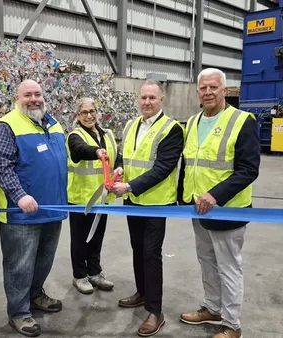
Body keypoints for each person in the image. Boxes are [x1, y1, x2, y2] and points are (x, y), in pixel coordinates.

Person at [177, 68, 260, 338]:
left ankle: (232, 325)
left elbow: (248, 170)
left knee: (228, 266)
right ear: (198, 92)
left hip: (227, 209)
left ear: (225, 90)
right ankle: (212, 308)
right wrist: (182, 197)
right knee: (207, 261)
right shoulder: (192, 122)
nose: (208, 92)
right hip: (197, 209)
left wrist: (215, 195)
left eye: (214, 87)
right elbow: (188, 164)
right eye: (203, 88)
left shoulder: (242, 121)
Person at [0, 79, 68, 337]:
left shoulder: (54, 124)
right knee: (19, 265)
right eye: (27, 95)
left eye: (37, 94)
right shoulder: (6, 125)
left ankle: (35, 295)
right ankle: (19, 312)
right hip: (21, 212)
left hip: (52, 208)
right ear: (17, 98)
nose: (33, 99)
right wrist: (19, 195)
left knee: (44, 260)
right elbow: (0, 166)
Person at [109, 79, 185, 337]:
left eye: (152, 98)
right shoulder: (131, 124)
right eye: (143, 98)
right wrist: (119, 169)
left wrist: (129, 186)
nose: (147, 102)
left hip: (155, 203)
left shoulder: (172, 129)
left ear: (162, 100)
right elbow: (124, 155)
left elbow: (163, 168)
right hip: (133, 202)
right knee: (137, 250)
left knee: (151, 253)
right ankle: (142, 293)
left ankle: (155, 311)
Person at [66, 97, 116, 295]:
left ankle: (95, 272)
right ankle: (79, 275)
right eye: (84, 112)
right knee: (79, 239)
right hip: (81, 197)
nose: (89, 115)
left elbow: (116, 155)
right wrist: (96, 151)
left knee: (97, 237)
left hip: (102, 197)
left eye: (92, 111)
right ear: (78, 116)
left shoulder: (108, 134)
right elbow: (79, 150)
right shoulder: (74, 135)